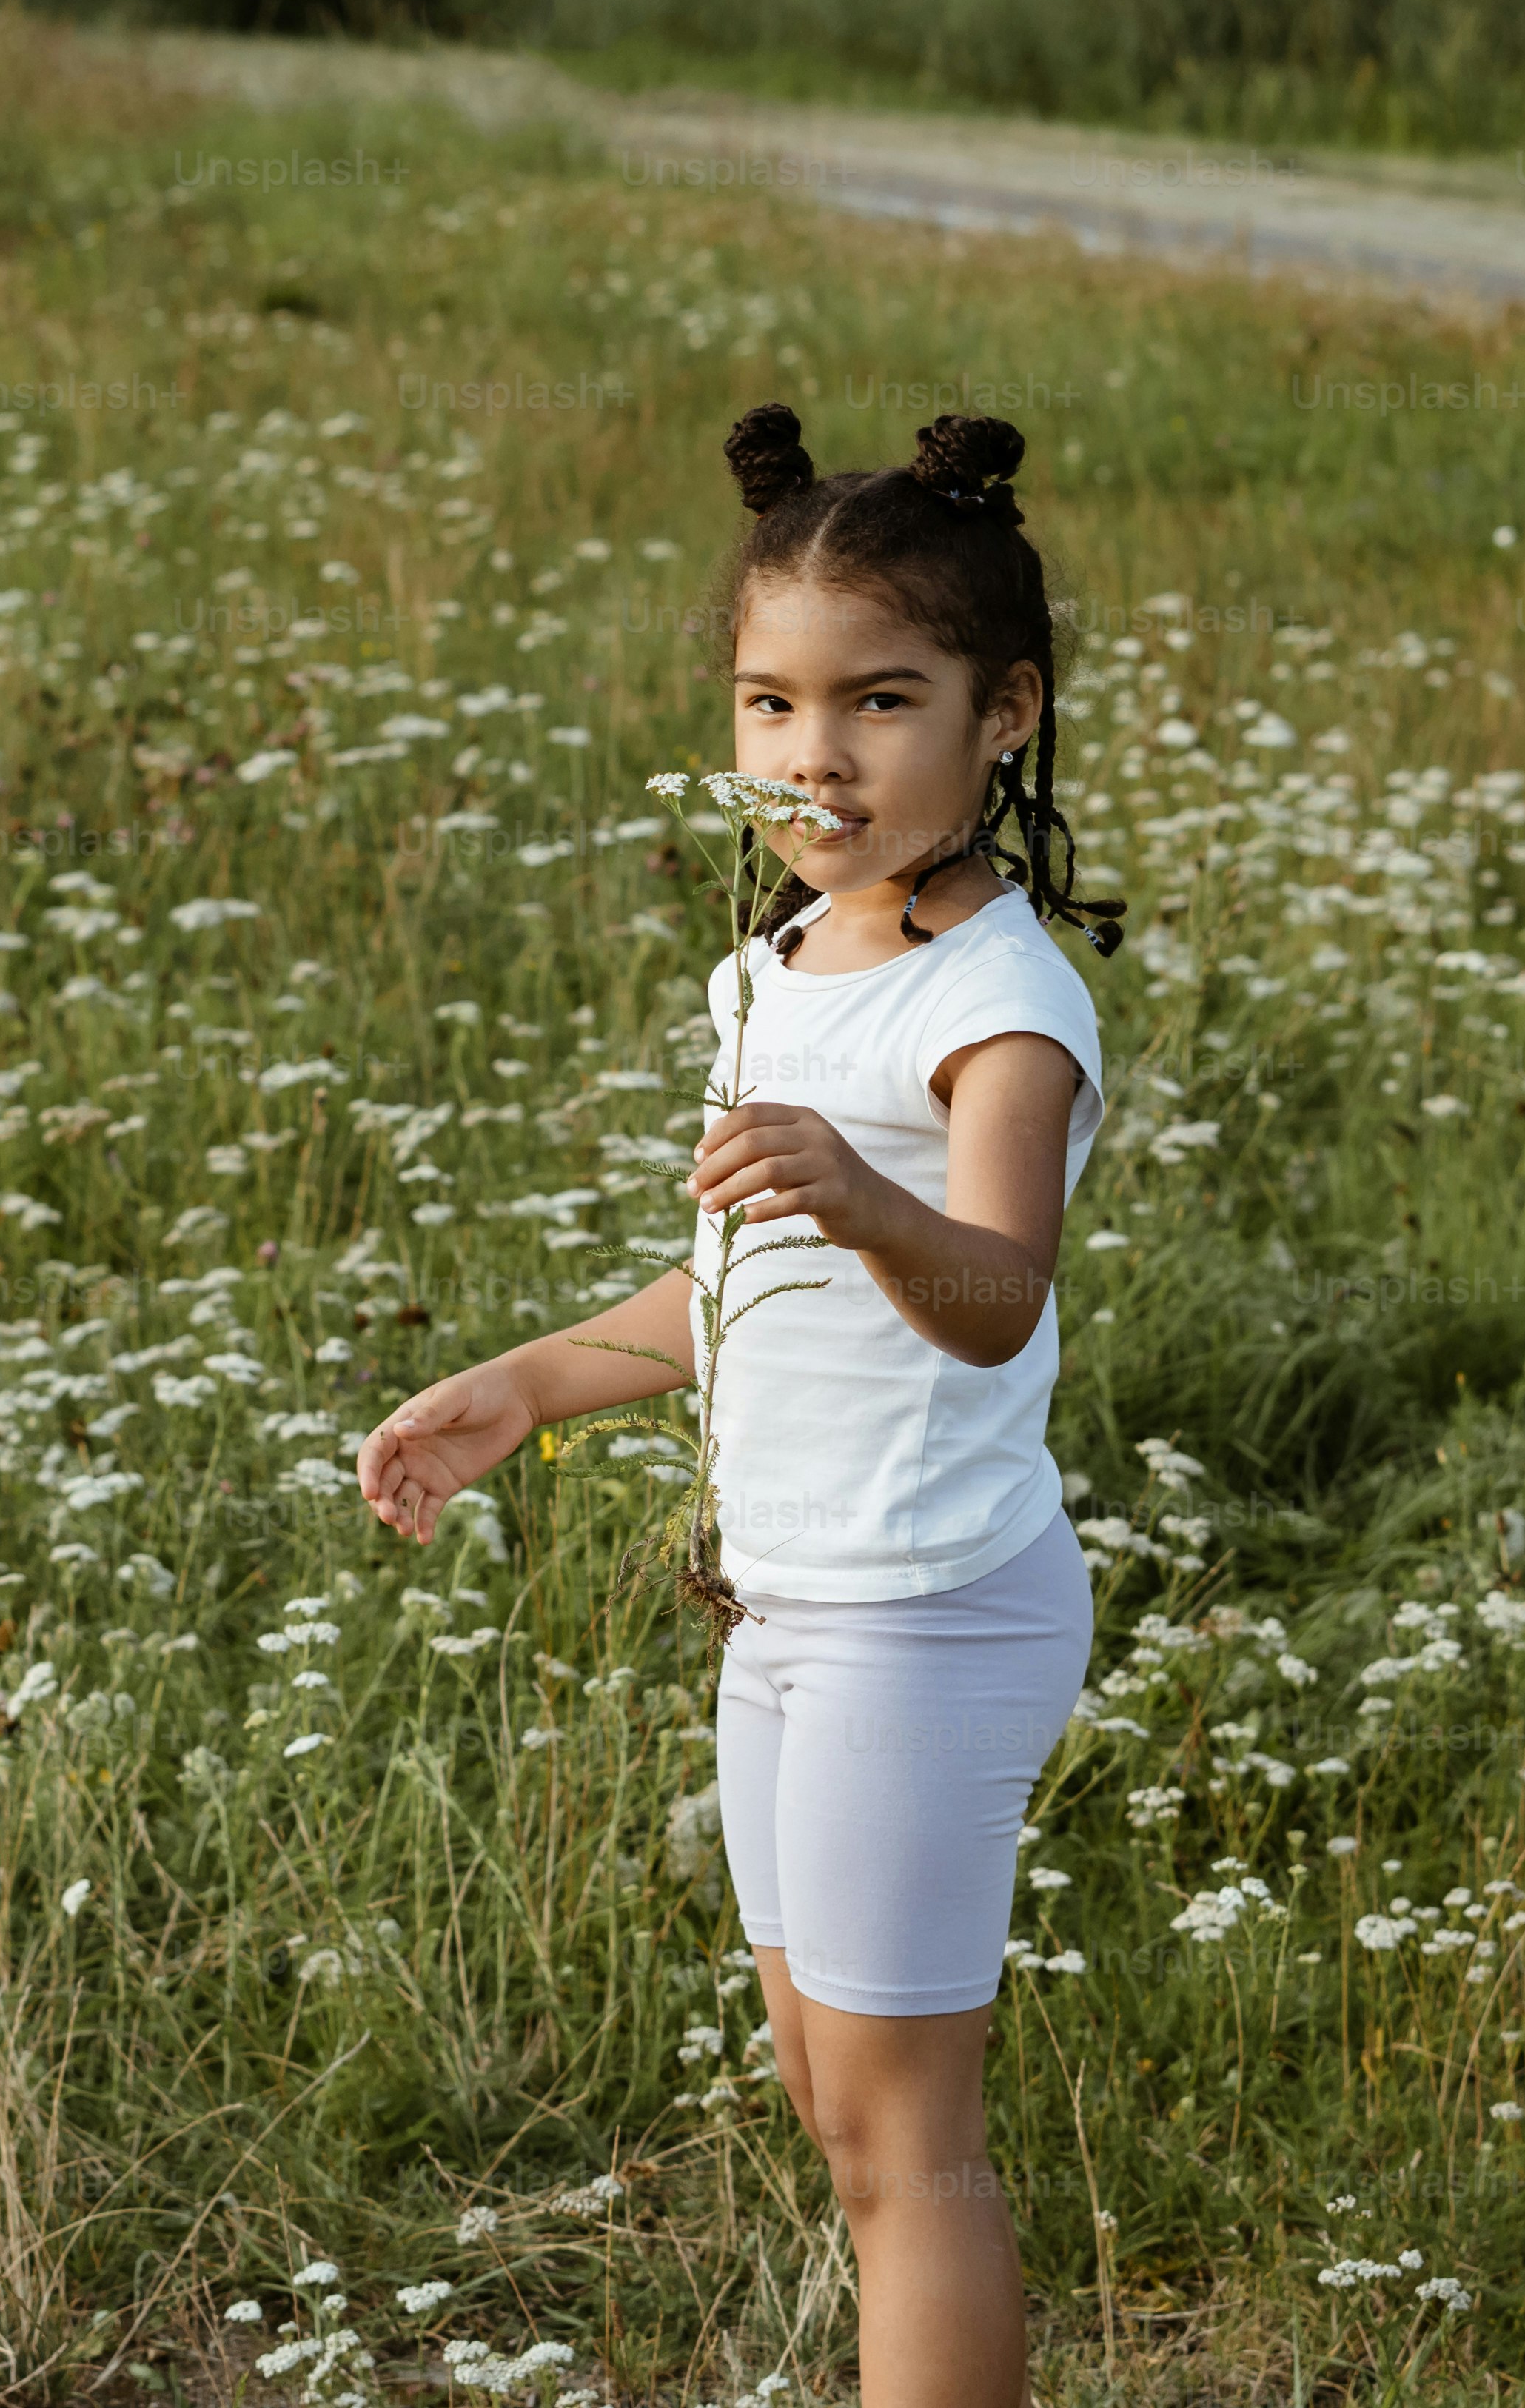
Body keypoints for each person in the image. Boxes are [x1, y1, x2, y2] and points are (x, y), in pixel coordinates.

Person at [354, 404, 1123, 2408]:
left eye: (882, 700)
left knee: (905, 2140)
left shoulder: (1001, 1008)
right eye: (769, 703)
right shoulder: (783, 957)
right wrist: (527, 1382)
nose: (815, 755)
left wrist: (864, 1189)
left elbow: (993, 1295)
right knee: (825, 2092)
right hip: (785, 1608)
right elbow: (736, 1280)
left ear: (1004, 712)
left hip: (928, 1614)